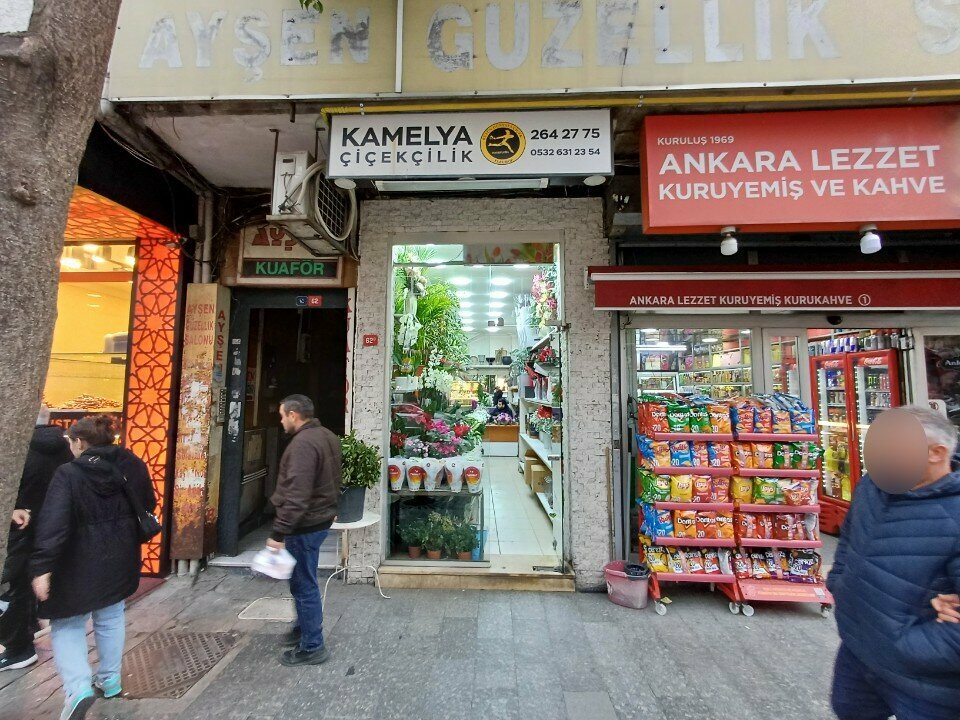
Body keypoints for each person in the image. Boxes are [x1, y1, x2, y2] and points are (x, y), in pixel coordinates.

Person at [828, 406, 960, 720]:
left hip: (925, 681)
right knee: (848, 710)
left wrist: (909, 647)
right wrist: (839, 583)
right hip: (857, 651)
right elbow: (848, 539)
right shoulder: (872, 486)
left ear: (936, 453)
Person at [30, 415, 154, 720]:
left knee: (67, 623)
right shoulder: (133, 464)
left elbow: (54, 522)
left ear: (80, 442)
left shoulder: (69, 474)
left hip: (77, 560)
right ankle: (110, 680)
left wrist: (42, 566)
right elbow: (148, 503)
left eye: (71, 442)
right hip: (121, 554)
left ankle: (78, 689)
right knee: (111, 616)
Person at [269, 395, 341, 667]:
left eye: (282, 416)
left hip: (304, 524)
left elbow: (297, 494)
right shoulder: (327, 436)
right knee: (303, 580)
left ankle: (312, 646)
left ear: (293, 415)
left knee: (303, 584)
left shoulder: (302, 444)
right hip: (319, 519)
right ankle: (303, 628)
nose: (281, 421)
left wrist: (279, 532)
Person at [0, 406, 73, 671]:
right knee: (34, 584)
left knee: (14, 587)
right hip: (55, 528)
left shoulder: (18, 451)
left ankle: (18, 646)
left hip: (22, 528)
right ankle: (28, 637)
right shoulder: (66, 450)